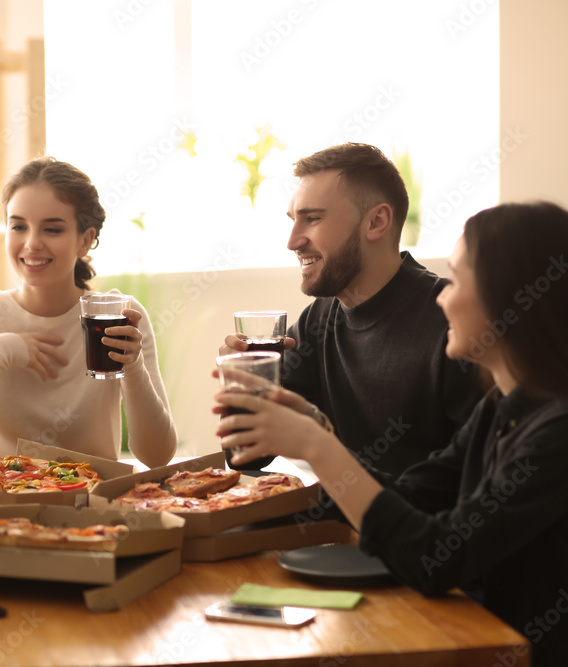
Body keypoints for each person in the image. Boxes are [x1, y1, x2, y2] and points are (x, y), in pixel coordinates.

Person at [217, 201, 568, 666]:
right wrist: (316, 432)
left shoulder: (555, 435)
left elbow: (439, 558)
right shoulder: (500, 408)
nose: (443, 298)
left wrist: (316, 445)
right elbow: (412, 495)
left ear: (511, 297)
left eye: (459, 280)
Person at [220, 143, 482, 476]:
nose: (293, 241)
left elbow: (468, 486)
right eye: (293, 221)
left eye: (312, 218)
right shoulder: (318, 320)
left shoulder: (456, 323)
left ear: (376, 222)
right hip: (347, 524)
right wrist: (243, 387)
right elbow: (249, 456)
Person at [0, 157, 177, 468]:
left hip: (93, 507)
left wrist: (133, 367)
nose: (32, 243)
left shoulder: (118, 316)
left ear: (85, 240)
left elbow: (158, 457)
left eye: (52, 229)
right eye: (18, 226)